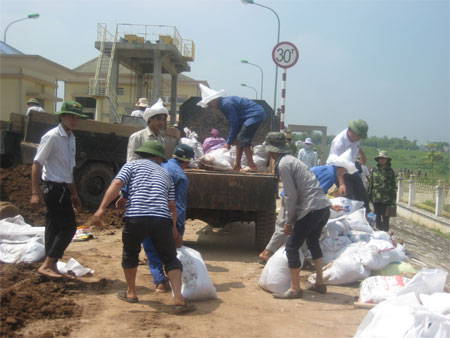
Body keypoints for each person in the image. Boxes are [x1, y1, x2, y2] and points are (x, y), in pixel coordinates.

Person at [93, 141, 195, 313]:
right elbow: (172, 206)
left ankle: (131, 293)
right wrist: (175, 230)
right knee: (170, 258)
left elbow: (117, 184)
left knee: (130, 254)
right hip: (161, 219)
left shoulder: (131, 166)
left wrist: (101, 208)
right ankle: (178, 298)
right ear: (158, 157)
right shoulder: (165, 173)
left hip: (136, 217)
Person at [264, 132, 343, 298]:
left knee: (292, 246)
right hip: (322, 207)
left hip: (311, 209)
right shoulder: (294, 160)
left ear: (271, 152)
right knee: (313, 242)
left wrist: (288, 221)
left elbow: (291, 196)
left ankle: (295, 289)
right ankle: (320, 283)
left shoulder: (283, 164)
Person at [30, 100, 87, 278]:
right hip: (53, 188)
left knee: (53, 226)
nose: (74, 120)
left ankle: (51, 265)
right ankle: (48, 264)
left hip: (63, 187)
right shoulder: (52, 136)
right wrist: (35, 193)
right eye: (71, 116)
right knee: (69, 227)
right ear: (62, 116)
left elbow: (68, 169)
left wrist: (75, 194)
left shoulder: (72, 138)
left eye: (77, 118)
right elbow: (37, 164)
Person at [142, 144, 194, 292]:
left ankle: (159, 282)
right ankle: (174, 284)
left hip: (145, 213)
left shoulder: (159, 167)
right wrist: (178, 230)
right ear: (186, 162)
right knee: (169, 251)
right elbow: (179, 205)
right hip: (164, 217)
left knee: (151, 249)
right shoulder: (180, 176)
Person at [197, 84, 266, 171]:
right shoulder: (223, 105)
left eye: (210, 104)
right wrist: (233, 139)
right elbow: (235, 121)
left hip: (254, 114)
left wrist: (228, 142)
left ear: (215, 99)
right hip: (247, 117)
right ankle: (237, 165)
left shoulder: (226, 104)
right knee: (238, 140)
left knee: (242, 138)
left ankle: (252, 166)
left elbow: (234, 122)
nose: (210, 106)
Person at [327, 119, 370, 211]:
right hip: (336, 169)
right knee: (347, 193)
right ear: (351, 131)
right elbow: (339, 164)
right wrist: (342, 184)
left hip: (349, 167)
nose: (358, 139)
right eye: (358, 136)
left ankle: (366, 214)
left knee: (362, 192)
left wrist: (362, 154)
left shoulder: (355, 138)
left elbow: (357, 146)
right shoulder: (340, 142)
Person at [127, 98, 167, 162]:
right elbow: (131, 161)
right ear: (150, 119)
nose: (161, 122)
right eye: (158, 119)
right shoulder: (137, 137)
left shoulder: (161, 140)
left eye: (163, 119)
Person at [367, 151, 397, 231]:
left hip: (386, 199)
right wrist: (369, 196)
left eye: (384, 158)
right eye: (380, 158)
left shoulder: (390, 171)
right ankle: (379, 233)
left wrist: (393, 200)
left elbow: (393, 186)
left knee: (386, 217)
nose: (382, 160)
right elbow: (371, 184)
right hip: (376, 198)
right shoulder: (374, 170)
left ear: (387, 160)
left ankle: (385, 234)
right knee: (377, 216)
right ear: (378, 160)